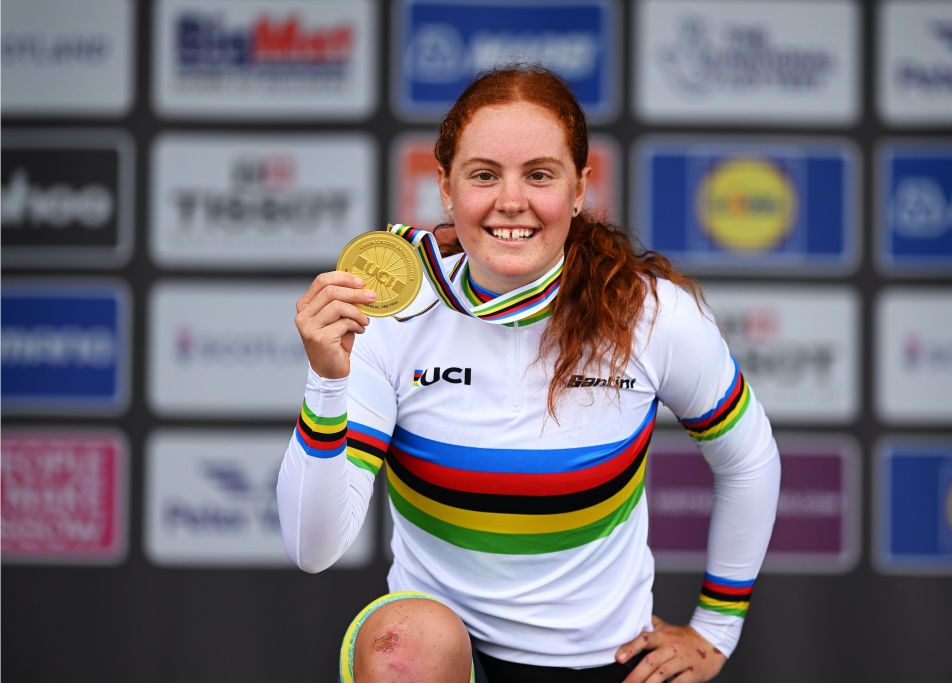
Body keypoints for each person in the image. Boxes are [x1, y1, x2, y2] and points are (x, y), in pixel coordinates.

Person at [278, 64, 780, 683]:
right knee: (403, 647)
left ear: (578, 188)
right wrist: (327, 383)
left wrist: (715, 630)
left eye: (539, 175)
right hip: (449, 657)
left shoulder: (649, 315)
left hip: (603, 659)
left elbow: (749, 458)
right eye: (484, 175)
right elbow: (313, 548)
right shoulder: (392, 317)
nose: (510, 201)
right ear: (444, 186)